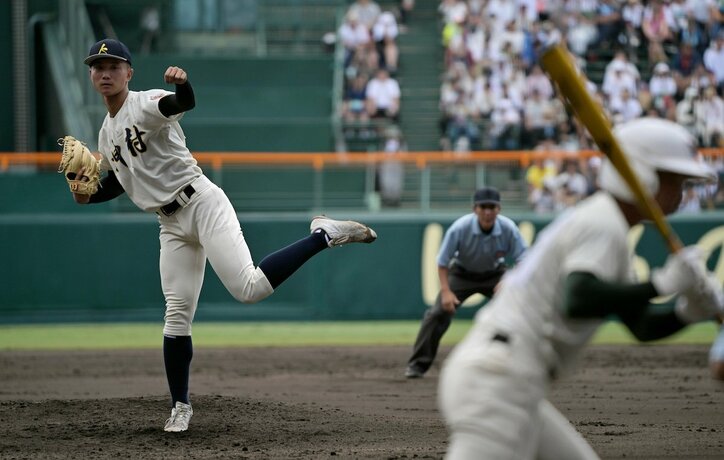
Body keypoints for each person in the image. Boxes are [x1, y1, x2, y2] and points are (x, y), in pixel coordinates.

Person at [71, 39, 378, 433]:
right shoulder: (106, 133)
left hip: (202, 203)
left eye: (113, 65)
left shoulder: (145, 103)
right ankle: (180, 406)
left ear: (129, 72)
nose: (105, 72)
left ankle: (324, 235)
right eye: (98, 67)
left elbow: (181, 104)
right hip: (169, 224)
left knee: (249, 288)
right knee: (176, 316)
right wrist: (87, 196)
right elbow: (119, 182)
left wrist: (183, 85)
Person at [437, 117, 723, 459]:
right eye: (675, 180)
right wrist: (662, 283)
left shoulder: (611, 228)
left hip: (511, 381)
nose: (681, 192)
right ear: (643, 175)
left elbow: (641, 325)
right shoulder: (604, 223)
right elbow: (579, 297)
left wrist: (687, 312)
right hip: (498, 380)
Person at [404, 187, 527, 379]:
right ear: (475, 209)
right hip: (462, 274)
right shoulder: (460, 228)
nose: (487, 212)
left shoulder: (508, 228)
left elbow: (525, 260)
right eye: (483, 207)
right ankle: (417, 365)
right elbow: (442, 262)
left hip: (496, 274)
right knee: (437, 313)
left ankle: (521, 363)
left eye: (492, 207)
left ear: (499, 209)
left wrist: (510, 281)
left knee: (520, 311)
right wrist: (445, 291)